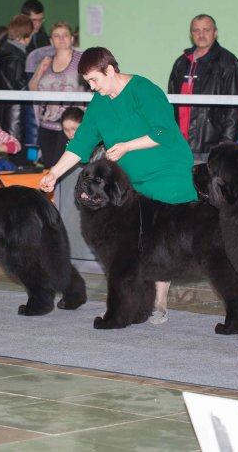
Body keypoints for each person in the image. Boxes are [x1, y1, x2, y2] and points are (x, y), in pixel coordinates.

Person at [40, 47, 197, 324]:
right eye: (88, 82)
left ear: (110, 70)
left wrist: (126, 146)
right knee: (131, 246)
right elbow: (81, 143)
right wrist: (54, 173)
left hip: (168, 172)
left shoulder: (143, 90)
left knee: (158, 240)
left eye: (94, 80)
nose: (92, 87)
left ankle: (159, 300)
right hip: (131, 182)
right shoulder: (100, 103)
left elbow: (164, 131)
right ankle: (131, 303)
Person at [168, 14, 238, 161]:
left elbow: (234, 109)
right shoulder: (181, 63)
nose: (201, 34)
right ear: (191, 34)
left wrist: (225, 147)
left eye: (206, 30)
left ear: (215, 32)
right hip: (179, 145)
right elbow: (170, 104)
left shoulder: (228, 62)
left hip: (211, 148)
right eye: (196, 30)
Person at [28, 22, 85, 167]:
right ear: (51, 41)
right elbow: (33, 88)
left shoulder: (82, 59)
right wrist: (40, 69)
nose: (61, 38)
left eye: (65, 35)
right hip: (46, 125)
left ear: (72, 38)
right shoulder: (46, 61)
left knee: (66, 169)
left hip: (71, 126)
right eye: (57, 36)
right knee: (49, 168)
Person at [0, 14, 32, 148]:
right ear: (26, 36)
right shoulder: (15, 57)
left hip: (6, 111)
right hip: (15, 114)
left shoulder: (5, 53)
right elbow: (18, 87)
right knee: (15, 151)